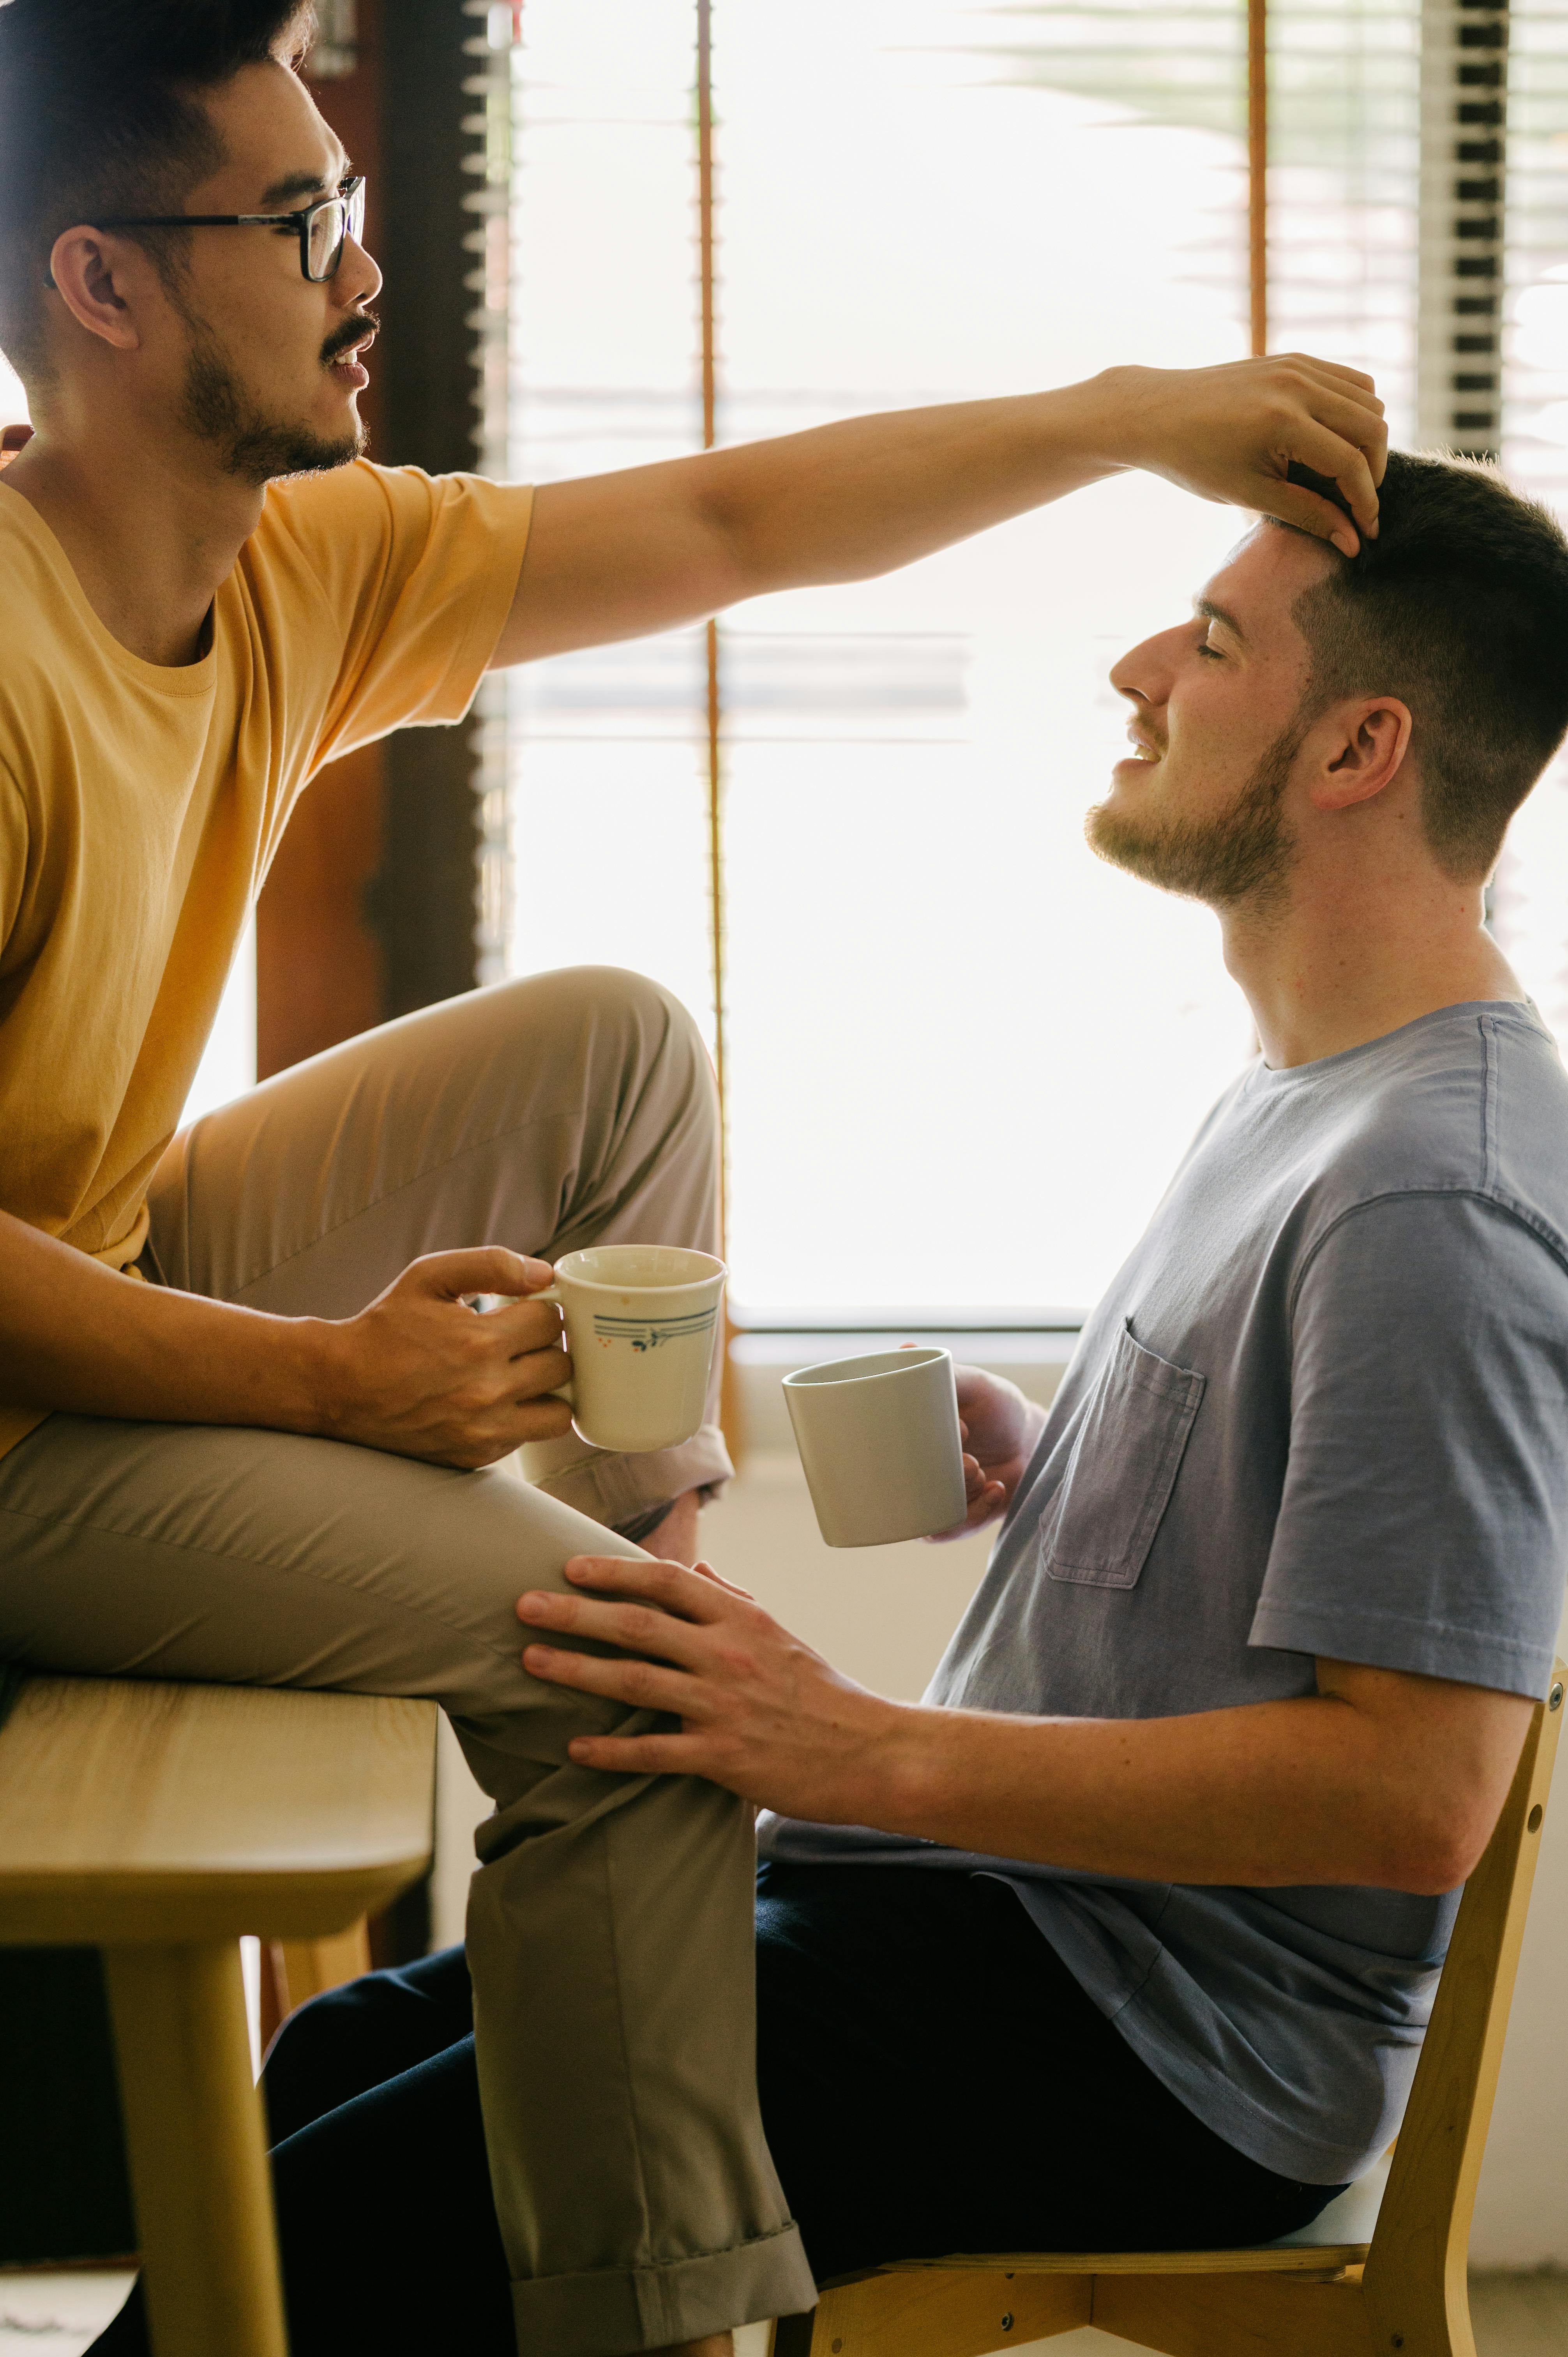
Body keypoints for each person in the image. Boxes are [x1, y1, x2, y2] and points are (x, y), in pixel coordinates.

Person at [0, 3, 1397, 2352]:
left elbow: (741, 522)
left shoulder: (288, 572)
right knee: (631, 1690)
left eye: (345, 203)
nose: (362, 271)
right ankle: (658, 2318)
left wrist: (1127, 419)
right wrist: (333, 1393)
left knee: (615, 1044)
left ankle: (633, 1571)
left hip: (106, 1265)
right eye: (298, 219)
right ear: (104, 291)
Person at [207, 447, 1568, 2356]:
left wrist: (846, 1747)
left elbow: (1418, 1792)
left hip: (1146, 2040)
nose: (1131, 670)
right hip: (984, 1916)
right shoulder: (1309, 1087)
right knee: (343, 2050)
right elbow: (1297, 1533)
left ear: (1357, 751)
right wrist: (1070, 1471)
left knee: (342, 2228)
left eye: (1206, 642)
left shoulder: (1437, 1189)